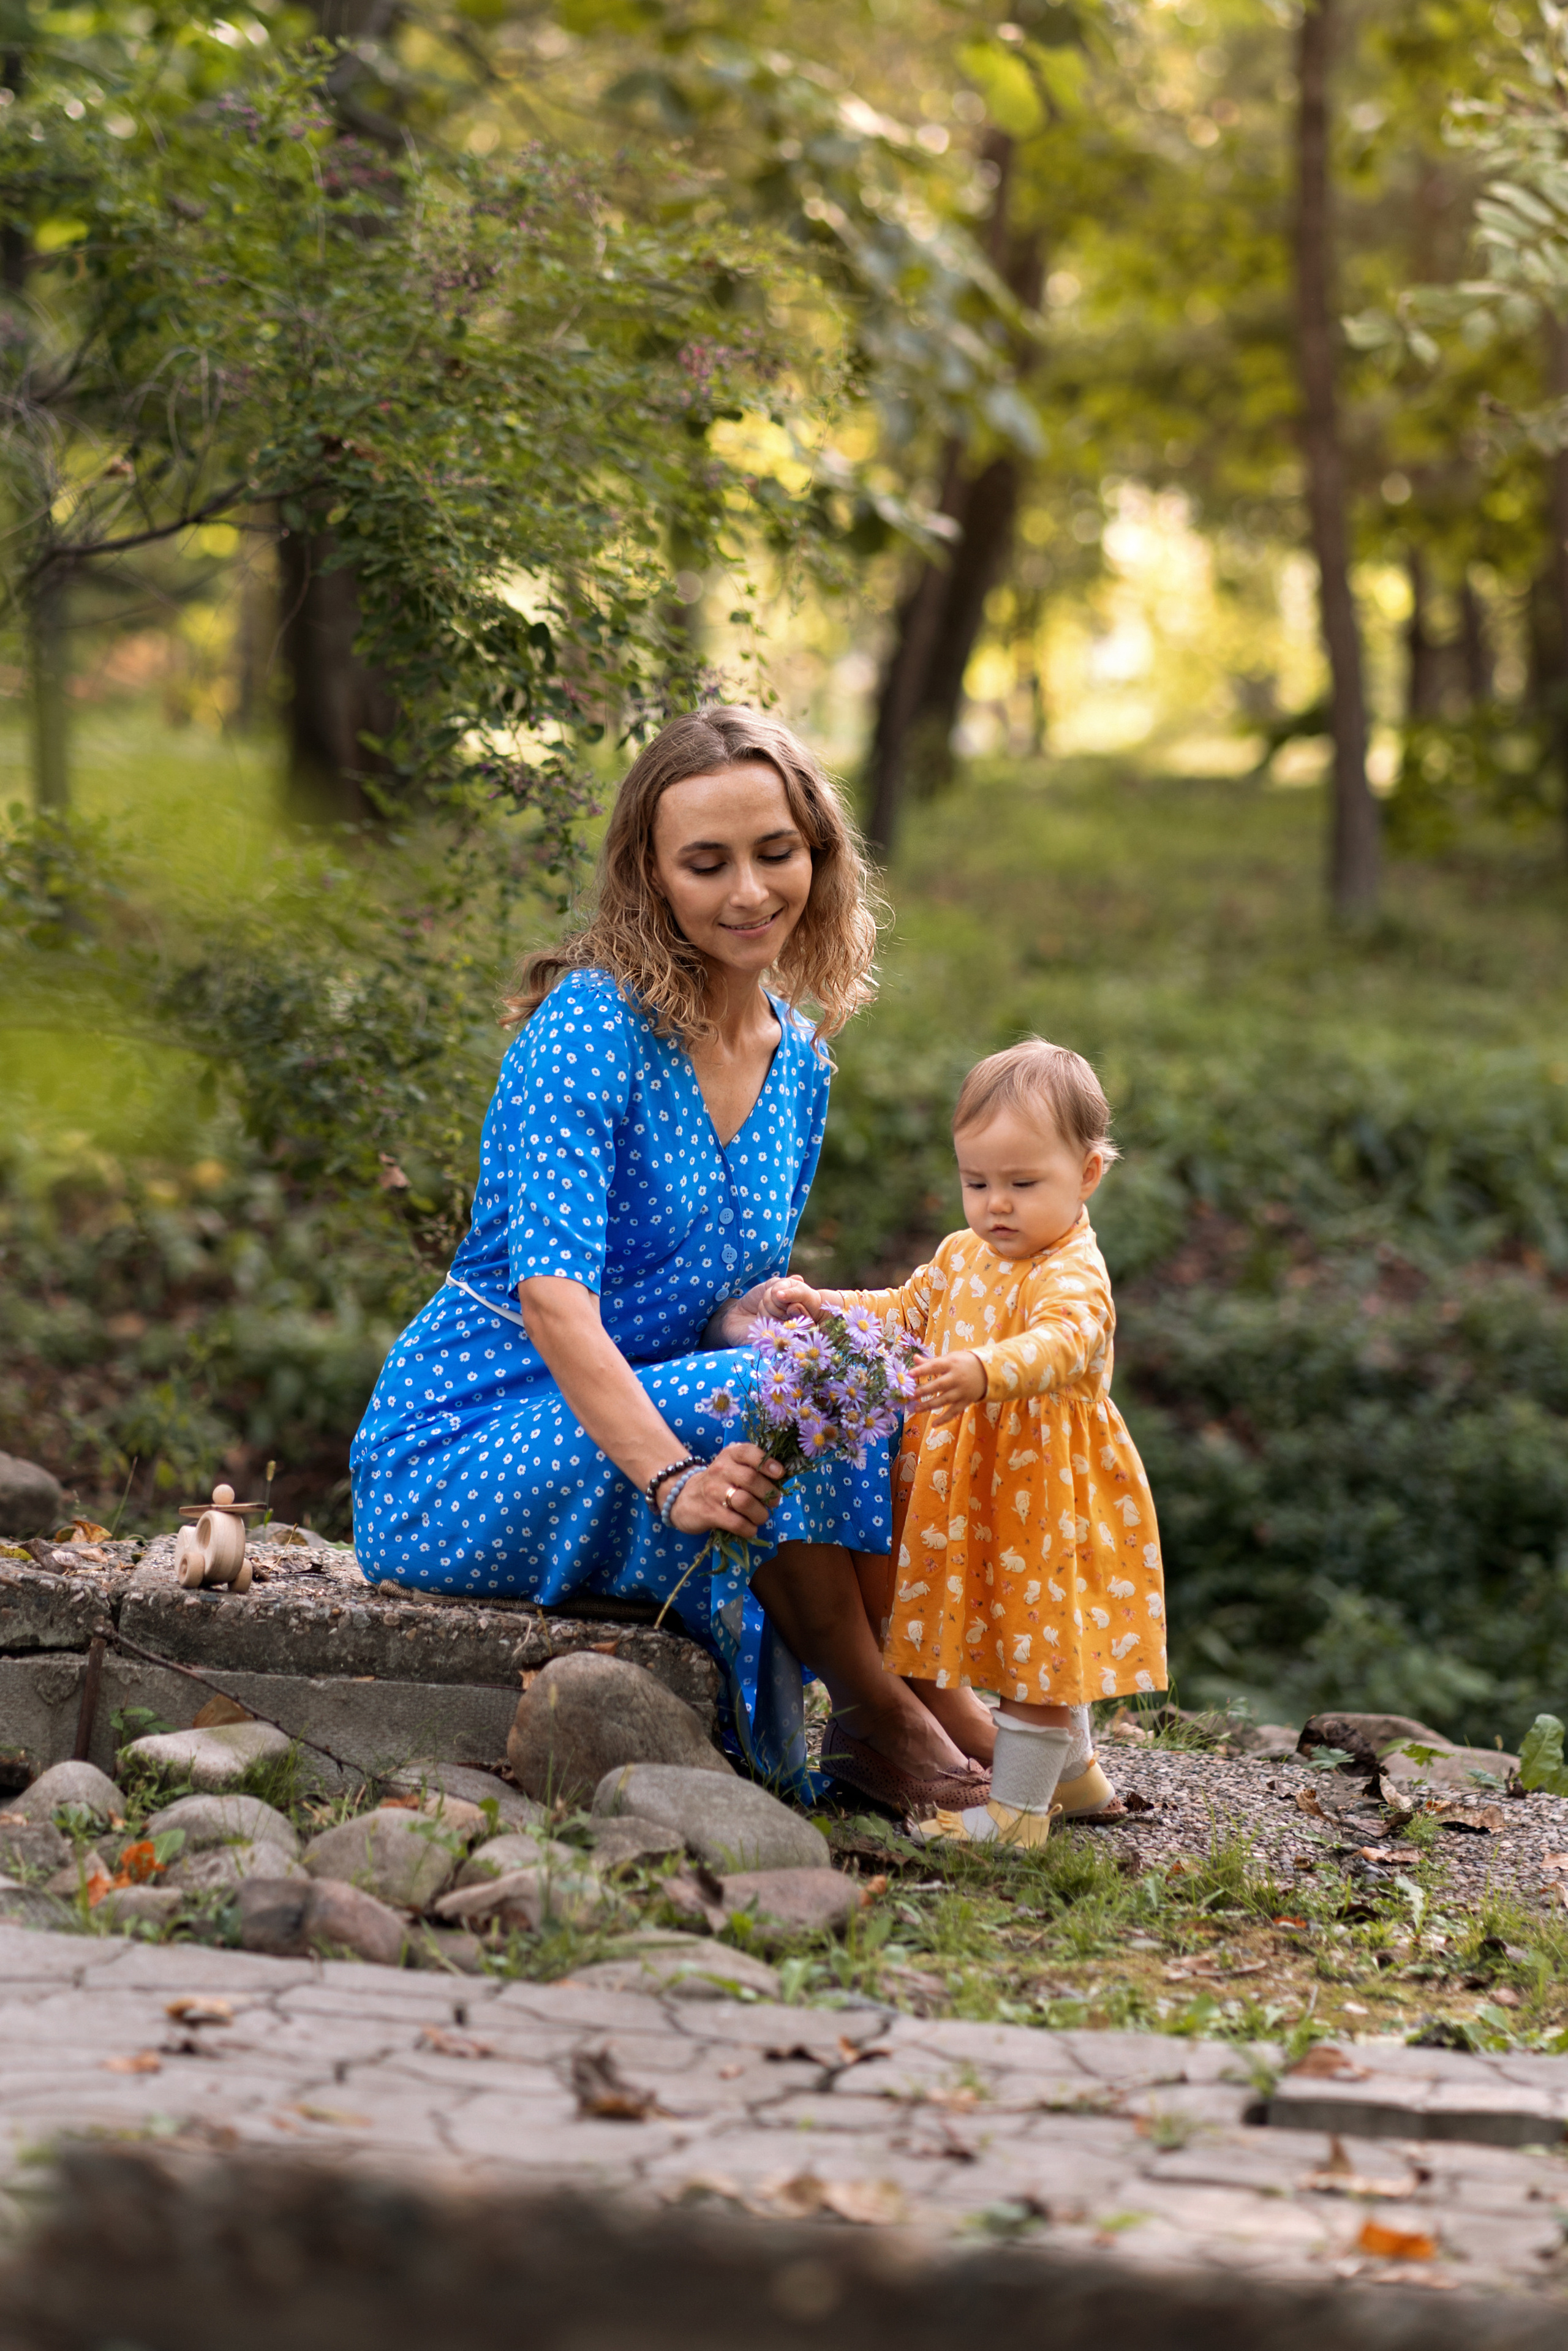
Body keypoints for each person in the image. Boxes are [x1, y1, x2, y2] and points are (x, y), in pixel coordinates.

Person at [349, 707, 989, 1811]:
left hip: (650, 1397)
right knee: (777, 1389)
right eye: (708, 863)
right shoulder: (590, 1029)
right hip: (466, 1447)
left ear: (819, 856)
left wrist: (746, 1313)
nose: (749, 891)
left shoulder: (801, 1061)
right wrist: (675, 1478)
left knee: (867, 1367)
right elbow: (555, 1308)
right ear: (651, 876)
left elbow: (699, 1299)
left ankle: (939, 1693)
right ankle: (881, 1718)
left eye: (775, 852)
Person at [774, 1038, 1166, 1842]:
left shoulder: (1071, 1270)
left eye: (1024, 1184)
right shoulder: (964, 1256)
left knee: (1037, 1649)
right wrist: (824, 1308)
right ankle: (1078, 1781)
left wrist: (985, 1369)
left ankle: (1017, 1819)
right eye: (977, 1181)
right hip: (983, 1500)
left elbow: (1063, 1342)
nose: (997, 1204)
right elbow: (901, 1309)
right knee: (1023, 1634)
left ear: (1088, 1175)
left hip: (1046, 1495)